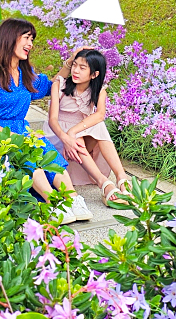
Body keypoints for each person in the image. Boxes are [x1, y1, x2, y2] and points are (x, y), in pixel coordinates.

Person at [0, 17, 92, 223]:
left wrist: (71, 61)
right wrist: (13, 137)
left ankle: (72, 199)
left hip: (21, 129)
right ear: (9, 38)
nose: (30, 44)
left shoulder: (24, 73)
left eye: (32, 39)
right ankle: (53, 204)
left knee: (47, 151)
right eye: (26, 38)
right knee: (27, 154)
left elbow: (51, 86)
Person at [45, 48, 131, 204]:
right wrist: (67, 137)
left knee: (97, 125)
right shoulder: (60, 85)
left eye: (82, 68)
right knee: (80, 134)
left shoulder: (99, 91)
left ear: (94, 74)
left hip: (79, 137)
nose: (76, 71)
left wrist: (73, 131)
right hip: (58, 138)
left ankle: (121, 177)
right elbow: (52, 120)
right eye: (75, 65)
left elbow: (99, 115)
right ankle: (104, 183)